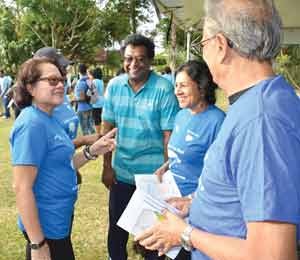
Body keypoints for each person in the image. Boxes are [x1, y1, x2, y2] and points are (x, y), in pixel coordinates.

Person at [135, 0, 300, 260]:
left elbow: (272, 254)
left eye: (203, 45)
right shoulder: (258, 102)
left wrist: (185, 234)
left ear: (221, 46)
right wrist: (196, 204)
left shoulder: (261, 120)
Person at [10, 57, 117, 260]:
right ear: (31, 87)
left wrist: (92, 151)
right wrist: (37, 244)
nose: (60, 85)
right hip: (45, 227)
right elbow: (21, 187)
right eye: (51, 80)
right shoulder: (32, 124)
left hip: (58, 222)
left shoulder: (49, 118)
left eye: (61, 80)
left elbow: (60, 165)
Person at [101, 34, 179, 260]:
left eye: (140, 59)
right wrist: (107, 166)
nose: (133, 64)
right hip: (121, 175)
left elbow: (168, 137)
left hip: (152, 178)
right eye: (128, 58)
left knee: (152, 239)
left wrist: (167, 178)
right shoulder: (114, 86)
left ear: (150, 61)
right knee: (117, 233)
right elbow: (107, 131)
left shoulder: (164, 89)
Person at [156, 60, 225, 197]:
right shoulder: (181, 115)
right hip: (169, 192)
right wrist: (165, 168)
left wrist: (192, 200)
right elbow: (183, 155)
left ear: (202, 88)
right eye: (176, 86)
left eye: (183, 86)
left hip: (193, 202)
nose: (177, 92)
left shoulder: (218, 122)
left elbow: (220, 174)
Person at [74, 63, 95, 135]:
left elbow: (81, 98)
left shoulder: (80, 82)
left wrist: (73, 100)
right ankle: (94, 142)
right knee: (91, 127)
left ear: (79, 71)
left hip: (82, 108)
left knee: (85, 129)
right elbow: (94, 94)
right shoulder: (89, 80)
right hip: (90, 106)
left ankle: (88, 145)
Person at [87, 67, 105, 134]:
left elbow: (89, 93)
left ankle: (98, 135)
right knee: (101, 120)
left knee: (97, 121)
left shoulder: (94, 81)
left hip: (96, 103)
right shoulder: (101, 81)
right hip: (103, 102)